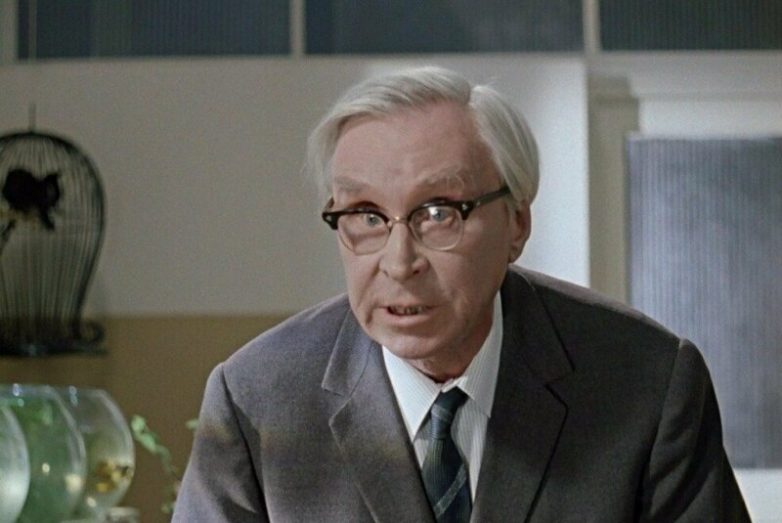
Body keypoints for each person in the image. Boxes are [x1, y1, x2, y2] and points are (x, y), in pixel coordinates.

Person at [173, 66, 749, 522]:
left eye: (438, 213)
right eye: (367, 216)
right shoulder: (256, 400)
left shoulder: (648, 385)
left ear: (516, 223)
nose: (399, 262)